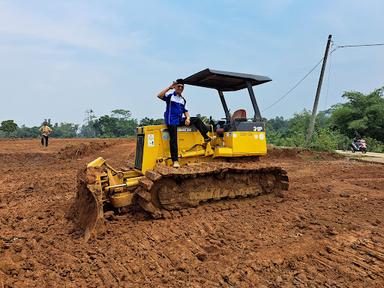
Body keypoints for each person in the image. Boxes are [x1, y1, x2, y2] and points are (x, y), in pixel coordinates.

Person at [157, 79, 211, 168]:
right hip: (171, 121)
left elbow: (185, 111)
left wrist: (188, 118)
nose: (180, 88)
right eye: (179, 86)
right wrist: (169, 88)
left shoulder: (183, 100)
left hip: (179, 119)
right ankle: (175, 161)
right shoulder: (170, 96)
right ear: (175, 87)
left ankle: (206, 137)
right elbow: (159, 96)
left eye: (182, 87)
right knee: (174, 139)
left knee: (197, 119)